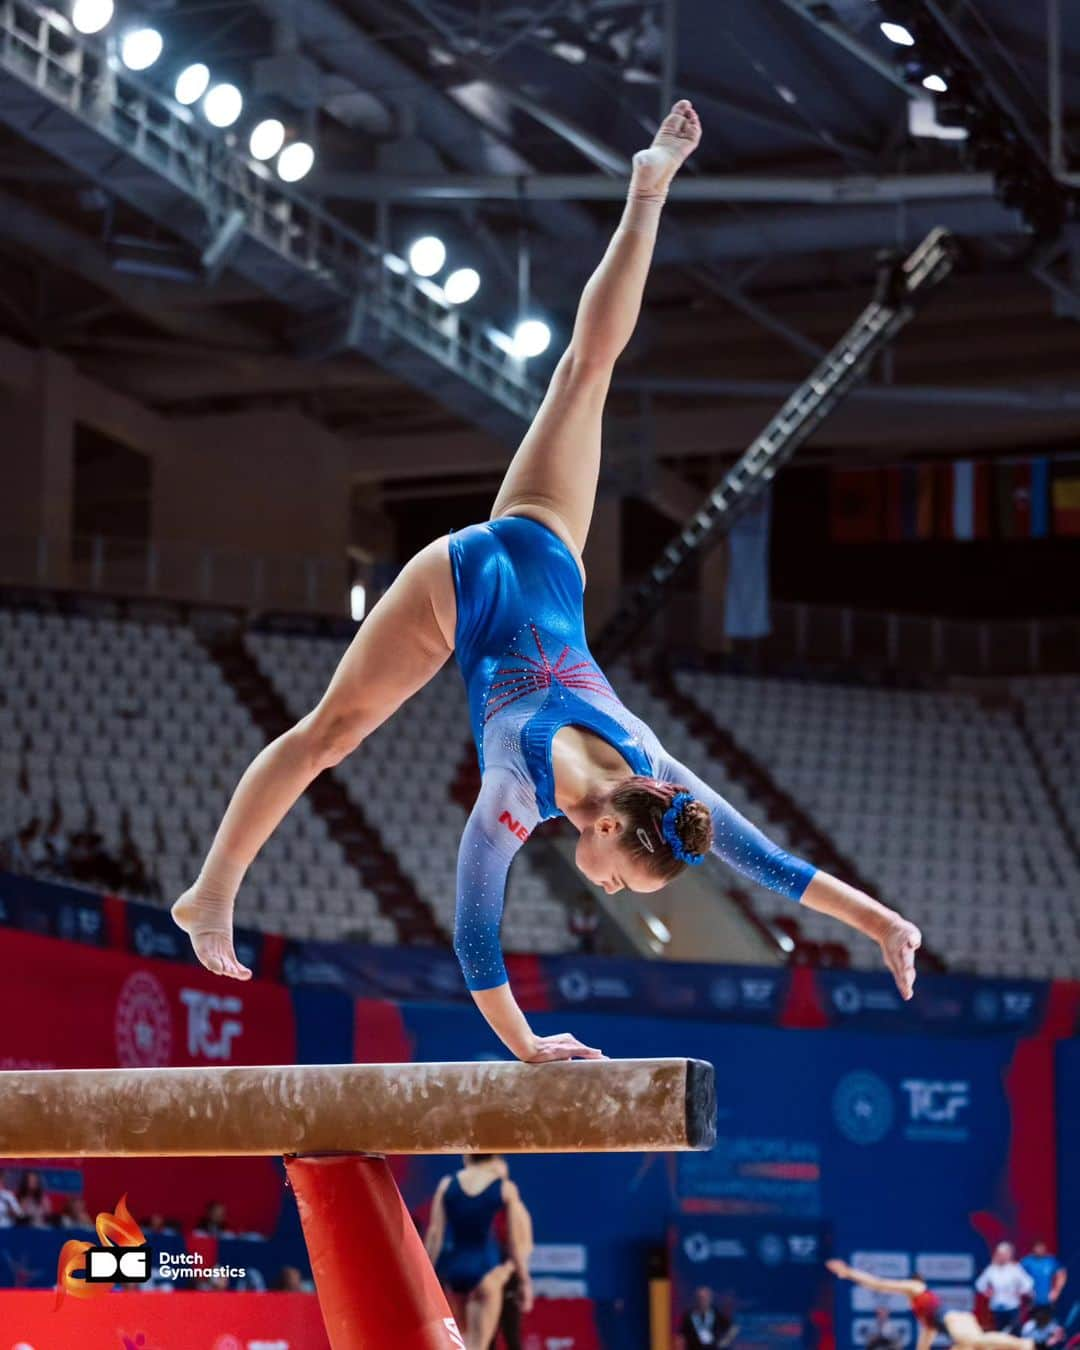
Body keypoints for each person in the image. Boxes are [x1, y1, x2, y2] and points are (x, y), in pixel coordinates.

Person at [171, 100, 922, 1059]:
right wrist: (527, 1049)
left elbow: (770, 866)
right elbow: (477, 939)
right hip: (461, 588)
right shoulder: (517, 796)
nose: (605, 887)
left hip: (546, 555)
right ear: (608, 823)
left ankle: (649, 190)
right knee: (327, 734)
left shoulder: (651, 772)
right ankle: (214, 890)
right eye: (621, 877)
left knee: (585, 369)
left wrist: (882, 925)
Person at [425, 1155, 531, 1350]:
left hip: (454, 1272)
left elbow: (434, 1235)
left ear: (466, 1156)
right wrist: (524, 1280)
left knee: (458, 1344)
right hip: (486, 1272)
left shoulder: (447, 1185)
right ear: (495, 1158)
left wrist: (424, 1278)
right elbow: (516, 1242)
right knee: (478, 1346)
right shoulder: (505, 1188)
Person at [827, 1257, 1034, 1350]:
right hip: (959, 1322)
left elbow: (880, 1284)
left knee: (977, 1341)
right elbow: (926, 1339)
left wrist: (848, 1273)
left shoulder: (916, 1288)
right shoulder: (924, 1316)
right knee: (973, 1347)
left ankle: (1023, 1344)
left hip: (956, 1322)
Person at [486, 1158, 534, 1350]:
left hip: (507, 1276)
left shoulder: (514, 1208)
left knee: (510, 1335)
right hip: (496, 1274)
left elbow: (522, 1246)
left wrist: (522, 1279)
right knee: (489, 1337)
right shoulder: (492, 1207)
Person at [977, 1244, 1035, 1331]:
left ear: (1009, 1255)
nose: (1001, 1257)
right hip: (996, 1306)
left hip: (1012, 1306)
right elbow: (979, 1284)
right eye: (999, 1254)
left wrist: (1020, 1292)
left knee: (1013, 1331)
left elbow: (1029, 1283)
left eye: (1004, 1254)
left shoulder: (1015, 1269)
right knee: (998, 1333)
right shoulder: (991, 1269)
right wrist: (987, 1292)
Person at [1022, 1241, 1068, 1316]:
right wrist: (1026, 1291)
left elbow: (1061, 1274)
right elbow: (1017, 1276)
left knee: (1047, 1322)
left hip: (1048, 1299)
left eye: (1041, 1247)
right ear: (1033, 1249)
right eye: (1037, 1247)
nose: (1039, 1250)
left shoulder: (1051, 1261)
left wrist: (1056, 1291)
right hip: (1031, 1301)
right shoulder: (1027, 1261)